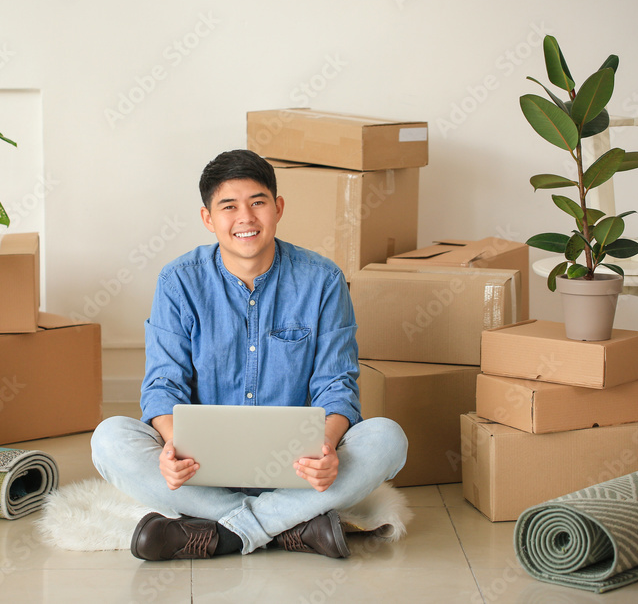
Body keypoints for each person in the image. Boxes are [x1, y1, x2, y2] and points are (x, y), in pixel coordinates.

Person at [90, 149, 407, 561]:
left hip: (298, 467)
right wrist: (172, 448)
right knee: (109, 439)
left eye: (258, 203)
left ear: (277, 208)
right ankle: (289, 526)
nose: (246, 218)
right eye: (229, 206)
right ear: (208, 218)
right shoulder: (177, 282)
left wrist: (326, 450)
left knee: (387, 439)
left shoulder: (323, 280)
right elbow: (162, 386)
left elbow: (337, 386)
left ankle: (226, 533)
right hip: (202, 469)